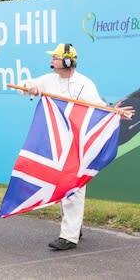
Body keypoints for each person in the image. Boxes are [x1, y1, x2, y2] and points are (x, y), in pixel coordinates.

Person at [21, 43, 134, 251]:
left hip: (78, 143)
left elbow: (97, 109)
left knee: (74, 186)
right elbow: (28, 84)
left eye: (55, 57)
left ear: (66, 61)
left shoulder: (85, 84)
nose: (51, 60)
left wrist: (115, 113)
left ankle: (69, 237)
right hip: (60, 144)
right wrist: (30, 87)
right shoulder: (49, 80)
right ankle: (74, 227)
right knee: (64, 184)